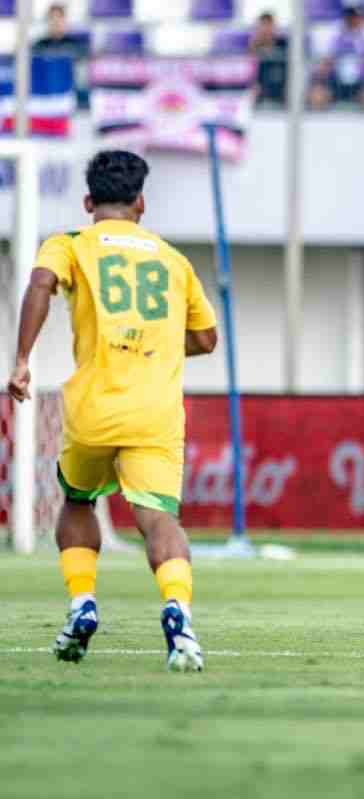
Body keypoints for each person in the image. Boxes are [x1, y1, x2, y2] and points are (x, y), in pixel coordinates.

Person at [8, 150, 219, 672]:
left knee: (77, 503)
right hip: (156, 412)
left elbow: (38, 285)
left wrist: (20, 360)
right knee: (158, 519)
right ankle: (178, 611)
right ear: (141, 203)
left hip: (94, 408)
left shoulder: (71, 245)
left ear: (87, 202)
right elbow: (206, 338)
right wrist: (161, 347)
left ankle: (82, 604)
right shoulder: (172, 259)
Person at [309, 6, 364, 111]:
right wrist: (321, 81)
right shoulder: (335, 33)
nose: (354, 21)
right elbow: (324, 64)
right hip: (336, 81)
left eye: (357, 18)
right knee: (317, 96)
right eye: (351, 18)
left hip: (362, 82)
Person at [249, 12, 288, 106]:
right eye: (263, 26)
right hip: (259, 97)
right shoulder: (253, 47)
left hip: (282, 95)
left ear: (274, 27)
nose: (266, 30)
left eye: (269, 25)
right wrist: (253, 49)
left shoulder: (285, 45)